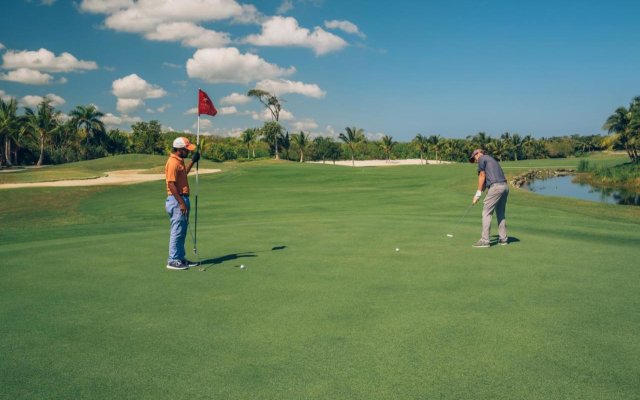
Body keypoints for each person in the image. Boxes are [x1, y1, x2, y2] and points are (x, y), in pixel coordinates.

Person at [165, 137, 200, 270]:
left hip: (182, 198)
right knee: (177, 231)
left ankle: (179, 258)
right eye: (187, 149)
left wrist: (192, 161)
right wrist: (181, 203)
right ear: (179, 149)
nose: (188, 151)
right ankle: (173, 260)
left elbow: (183, 175)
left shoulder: (179, 161)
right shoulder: (173, 162)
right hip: (176, 200)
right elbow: (171, 184)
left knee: (182, 231)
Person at [469, 148, 509, 248]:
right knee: (500, 213)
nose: (475, 161)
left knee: (486, 212)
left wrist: (478, 193)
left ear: (478, 154)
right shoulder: (491, 160)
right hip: (504, 187)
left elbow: (482, 176)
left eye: (474, 158)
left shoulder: (482, 158)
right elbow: (485, 181)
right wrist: (478, 194)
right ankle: (503, 239)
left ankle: (485, 240)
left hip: (495, 187)